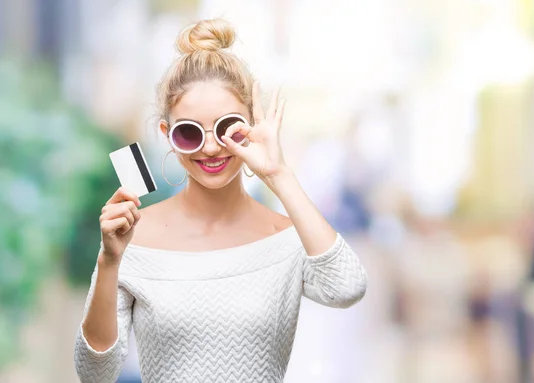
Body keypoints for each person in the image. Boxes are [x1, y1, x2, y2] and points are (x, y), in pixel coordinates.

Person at [73, 18, 368, 383]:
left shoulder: (286, 236)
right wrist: (109, 260)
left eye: (228, 128)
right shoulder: (132, 237)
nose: (211, 147)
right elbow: (94, 374)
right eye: (189, 132)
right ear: (167, 134)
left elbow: (347, 288)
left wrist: (278, 175)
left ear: (252, 124)